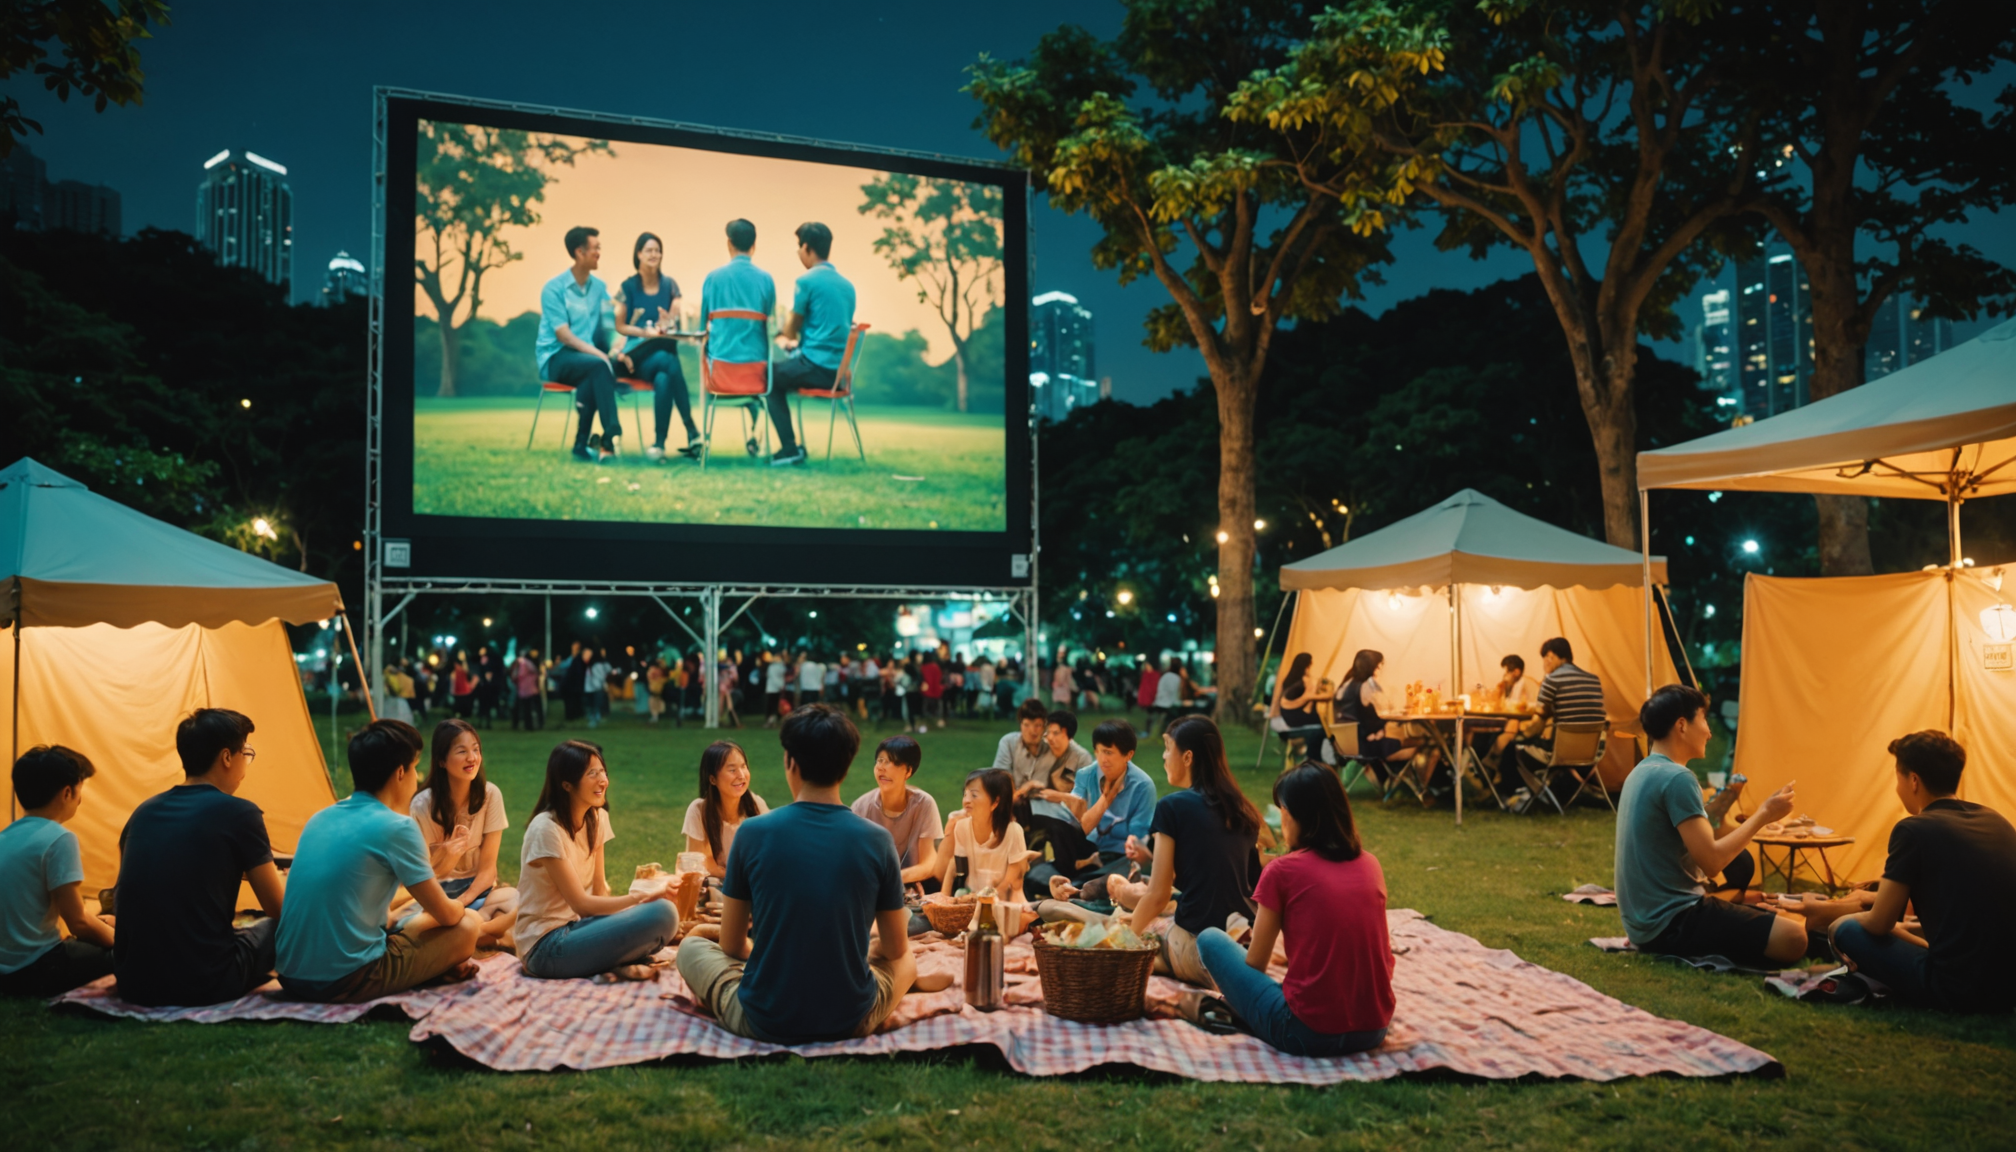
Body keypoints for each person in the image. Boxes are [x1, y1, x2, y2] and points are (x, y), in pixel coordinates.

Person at [676, 704, 932, 1044]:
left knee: (690, 948)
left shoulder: (752, 833)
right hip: (850, 1018)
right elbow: (895, 948)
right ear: (847, 765)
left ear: (790, 762)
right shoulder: (878, 840)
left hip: (764, 1019)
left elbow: (732, 944)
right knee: (907, 961)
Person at [1197, 761, 1393, 1057]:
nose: (1280, 819)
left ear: (1296, 815)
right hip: (1374, 1029)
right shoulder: (1370, 865)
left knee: (1211, 939)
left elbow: (1256, 964)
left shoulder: (1282, 871)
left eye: (1282, 810)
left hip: (1305, 1034)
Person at [276, 721, 481, 1002]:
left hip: (290, 975)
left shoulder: (319, 818)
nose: (417, 776)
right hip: (347, 979)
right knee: (468, 925)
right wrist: (461, 906)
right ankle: (437, 967)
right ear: (400, 773)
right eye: (414, 768)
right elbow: (446, 915)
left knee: (408, 921)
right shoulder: (398, 827)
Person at [1615, 684, 1806, 968]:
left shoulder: (1641, 771)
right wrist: (1765, 814)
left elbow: (1703, 846)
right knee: (1794, 937)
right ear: (1682, 725)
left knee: (1745, 871)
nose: (1709, 732)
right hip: (1673, 922)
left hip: (1643, 926)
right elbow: (1712, 862)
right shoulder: (1677, 778)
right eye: (1704, 719)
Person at [1828, 731, 2016, 1012]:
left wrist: (1839, 922)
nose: (1897, 788)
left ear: (1913, 780)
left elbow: (1880, 924)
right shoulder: (1996, 821)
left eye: (1898, 778)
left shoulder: (1913, 830)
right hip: (2008, 987)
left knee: (1848, 929)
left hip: (1957, 989)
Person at [112, 709, 285, 1007]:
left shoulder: (143, 812)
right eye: (245, 753)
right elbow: (278, 909)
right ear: (227, 757)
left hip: (134, 982)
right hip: (206, 982)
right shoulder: (240, 813)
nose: (246, 763)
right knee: (279, 926)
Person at [516, 741, 680, 980]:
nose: (603, 780)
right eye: (592, 774)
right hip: (544, 947)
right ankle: (616, 960)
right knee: (662, 913)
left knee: (662, 914)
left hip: (577, 928)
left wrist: (633, 911)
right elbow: (582, 905)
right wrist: (642, 897)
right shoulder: (546, 829)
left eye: (603, 771)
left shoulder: (596, 818)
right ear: (567, 785)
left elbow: (599, 889)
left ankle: (611, 961)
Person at [1130, 717, 1263, 985]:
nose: (1164, 756)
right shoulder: (1244, 810)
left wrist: (1123, 941)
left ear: (1188, 757)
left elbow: (1158, 895)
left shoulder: (1171, 807)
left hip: (1202, 950)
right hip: (1246, 950)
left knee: (1148, 936)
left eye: (1168, 748)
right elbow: (1256, 890)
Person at [0, 746, 116, 997]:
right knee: (129, 955)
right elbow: (78, 922)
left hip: (6, 971)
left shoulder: (5, 836)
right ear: (67, 793)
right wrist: (120, 939)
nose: (80, 800)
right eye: (79, 790)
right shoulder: (59, 838)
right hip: (37, 968)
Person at [406, 720, 519, 946]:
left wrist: (462, 902)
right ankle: (485, 934)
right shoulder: (422, 805)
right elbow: (423, 874)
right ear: (441, 761)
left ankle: (476, 930)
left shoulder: (490, 795)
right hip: (437, 898)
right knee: (415, 926)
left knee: (517, 901)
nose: (472, 758)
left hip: (478, 893)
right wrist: (447, 855)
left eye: (476, 750)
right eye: (462, 751)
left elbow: (488, 870)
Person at [1023, 720, 1158, 899]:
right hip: (1080, 855)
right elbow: (1079, 829)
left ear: (1128, 755)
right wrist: (1106, 799)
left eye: (1108, 752)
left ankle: (1076, 889)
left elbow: (1137, 842)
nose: (1102, 759)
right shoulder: (1086, 775)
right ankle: (1074, 888)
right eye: (1098, 751)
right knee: (1033, 878)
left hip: (1119, 858)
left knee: (1097, 885)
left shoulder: (1142, 786)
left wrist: (1131, 846)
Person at [764, 222, 857, 467]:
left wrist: (781, 334)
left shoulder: (806, 281)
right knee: (782, 369)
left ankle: (789, 449)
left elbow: (791, 327)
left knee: (768, 376)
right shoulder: (848, 286)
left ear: (806, 247)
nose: (798, 252)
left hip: (815, 368)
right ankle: (791, 447)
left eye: (799, 247)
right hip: (838, 375)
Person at [535, 225, 628, 463]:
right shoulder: (554, 289)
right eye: (595, 248)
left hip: (585, 360)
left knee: (593, 374)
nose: (599, 253)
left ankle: (580, 445)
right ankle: (611, 433)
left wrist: (618, 345)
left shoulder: (599, 288)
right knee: (598, 366)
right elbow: (563, 335)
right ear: (579, 252)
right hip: (556, 357)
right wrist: (600, 355)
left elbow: (610, 323)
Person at [612, 231, 702, 460]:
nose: (654, 254)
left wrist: (667, 323)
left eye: (658, 250)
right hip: (633, 360)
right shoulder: (627, 287)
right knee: (668, 362)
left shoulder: (670, 286)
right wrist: (644, 332)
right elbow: (619, 326)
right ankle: (692, 430)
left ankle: (659, 445)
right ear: (638, 254)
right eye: (649, 250)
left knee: (665, 373)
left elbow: (673, 321)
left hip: (658, 359)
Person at [698, 218, 778, 455]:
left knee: (705, 351)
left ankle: (703, 440)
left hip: (720, 375)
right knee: (760, 389)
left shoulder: (713, 279)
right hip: (756, 375)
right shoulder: (766, 280)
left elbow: (702, 328)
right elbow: (771, 326)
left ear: (729, 243)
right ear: (754, 245)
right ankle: (757, 433)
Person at [1495, 637, 1606, 790]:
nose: (1545, 663)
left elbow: (1537, 725)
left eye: (1546, 658)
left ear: (1551, 656)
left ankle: (1511, 792)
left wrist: (1520, 736)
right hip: (1592, 753)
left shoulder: (1552, 680)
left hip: (1561, 752)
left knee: (1511, 748)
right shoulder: (1594, 680)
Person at [850, 736, 944, 889]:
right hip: (872, 887)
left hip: (914, 885)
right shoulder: (861, 807)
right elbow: (854, 860)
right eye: (880, 761)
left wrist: (895, 879)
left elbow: (929, 862)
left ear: (908, 771)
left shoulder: (924, 804)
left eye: (891, 762)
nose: (882, 767)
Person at [683, 741, 772, 880]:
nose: (741, 775)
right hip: (716, 885)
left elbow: (769, 854)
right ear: (713, 779)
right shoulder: (699, 811)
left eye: (743, 766)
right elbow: (702, 863)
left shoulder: (756, 806)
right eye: (732, 770)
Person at [937, 768, 1029, 899]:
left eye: (974, 795)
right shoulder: (962, 827)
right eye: (965, 794)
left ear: (995, 802)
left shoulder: (1013, 832)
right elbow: (955, 864)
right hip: (971, 902)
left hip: (1004, 903)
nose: (966, 800)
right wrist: (943, 897)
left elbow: (1013, 882)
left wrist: (980, 897)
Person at [1332, 650, 1423, 781]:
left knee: (1395, 740)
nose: (1380, 671)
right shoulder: (1365, 687)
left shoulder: (1344, 685)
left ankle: (1389, 779)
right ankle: (1413, 784)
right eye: (1379, 666)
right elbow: (1377, 716)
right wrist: (1394, 717)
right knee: (1420, 743)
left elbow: (1363, 717)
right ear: (1372, 668)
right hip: (1365, 748)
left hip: (1344, 745)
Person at [992, 697, 1059, 800]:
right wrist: (1027, 787)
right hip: (1010, 803)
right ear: (1020, 725)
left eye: (1037, 725)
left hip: (1043, 805)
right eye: (1027, 725)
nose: (1032, 731)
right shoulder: (1009, 743)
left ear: (1045, 726)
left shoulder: (1053, 748)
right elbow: (999, 783)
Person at [1271, 652, 1326, 757]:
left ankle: (1310, 753)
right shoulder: (1303, 682)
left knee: (1319, 722)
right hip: (1295, 717)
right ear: (1307, 666)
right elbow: (1309, 701)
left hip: (1289, 716)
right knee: (1323, 724)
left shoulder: (1289, 680)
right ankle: (1316, 756)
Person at [511, 648, 544, 731]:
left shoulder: (520, 663)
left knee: (524, 708)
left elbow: (516, 675)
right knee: (529, 708)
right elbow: (535, 671)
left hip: (524, 690)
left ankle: (521, 725)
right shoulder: (528, 663)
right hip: (530, 689)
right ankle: (531, 725)